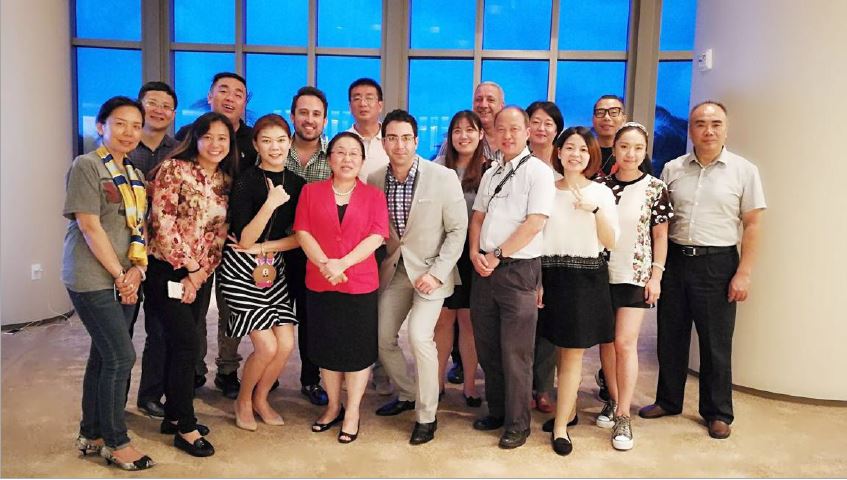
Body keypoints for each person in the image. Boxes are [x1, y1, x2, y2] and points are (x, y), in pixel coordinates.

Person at [638, 101, 766, 440]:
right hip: (676, 260)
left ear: (725, 129)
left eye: (715, 124)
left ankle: (718, 412)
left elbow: (753, 225)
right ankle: (668, 400)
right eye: (700, 123)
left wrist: (744, 273)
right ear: (691, 129)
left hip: (718, 264)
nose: (708, 130)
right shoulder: (673, 169)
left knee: (715, 343)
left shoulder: (744, 171)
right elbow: (660, 223)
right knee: (670, 336)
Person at [63, 96, 155, 470]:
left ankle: (92, 433)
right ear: (101, 126)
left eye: (136, 125)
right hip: (92, 278)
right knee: (121, 355)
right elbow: (89, 226)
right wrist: (120, 275)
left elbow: (139, 227)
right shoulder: (87, 166)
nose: (128, 132)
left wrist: (137, 271)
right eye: (120, 123)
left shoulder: (134, 174)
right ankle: (116, 442)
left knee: (103, 355)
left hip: (127, 276)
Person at [369, 110, 467, 445]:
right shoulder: (375, 179)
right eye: (392, 138)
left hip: (431, 273)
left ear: (416, 140)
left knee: (419, 337)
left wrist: (437, 274)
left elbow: (457, 231)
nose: (399, 145)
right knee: (382, 337)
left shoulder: (443, 177)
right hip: (395, 271)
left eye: (406, 138)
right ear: (384, 142)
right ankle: (408, 393)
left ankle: (427, 416)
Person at [145, 112, 238, 457]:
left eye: (222, 138)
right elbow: (162, 223)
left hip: (199, 276)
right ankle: (185, 426)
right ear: (195, 138)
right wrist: (190, 267)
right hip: (166, 269)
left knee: (182, 343)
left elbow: (219, 234)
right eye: (208, 136)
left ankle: (173, 414)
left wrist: (199, 274)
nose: (215, 144)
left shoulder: (225, 180)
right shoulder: (174, 169)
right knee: (186, 344)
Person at [294, 131, 389, 444]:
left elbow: (377, 236)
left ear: (362, 160)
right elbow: (302, 231)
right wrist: (326, 264)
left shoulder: (374, 195)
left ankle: (353, 411)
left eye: (354, 154)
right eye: (340, 152)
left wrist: (342, 264)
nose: (347, 159)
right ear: (329, 158)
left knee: (358, 351)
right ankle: (334, 406)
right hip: (320, 281)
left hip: (359, 283)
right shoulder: (310, 192)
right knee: (327, 348)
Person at [469, 106, 555, 449]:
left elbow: (535, 223)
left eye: (514, 129)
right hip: (484, 270)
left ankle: (518, 423)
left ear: (527, 132)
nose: (507, 135)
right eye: (501, 129)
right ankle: (498, 410)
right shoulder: (491, 172)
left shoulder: (539, 172)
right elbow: (478, 216)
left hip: (518, 270)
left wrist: (496, 255)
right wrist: (474, 252)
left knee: (516, 352)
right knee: (488, 347)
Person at [219, 114, 306, 431]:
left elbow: (300, 237)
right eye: (267, 141)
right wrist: (270, 203)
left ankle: (261, 398)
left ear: (290, 143)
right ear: (256, 144)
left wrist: (265, 248)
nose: (275, 147)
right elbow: (244, 240)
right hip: (240, 270)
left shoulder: (298, 183)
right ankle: (243, 401)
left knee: (285, 344)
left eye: (281, 140)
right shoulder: (246, 180)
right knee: (266, 346)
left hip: (273, 267)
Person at [537, 126, 619, 456]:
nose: (576, 154)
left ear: (591, 156)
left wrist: (594, 210)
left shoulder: (601, 193)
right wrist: (538, 282)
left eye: (583, 149)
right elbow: (536, 237)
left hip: (585, 278)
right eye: (569, 147)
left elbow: (611, 241)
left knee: (572, 353)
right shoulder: (545, 190)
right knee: (559, 349)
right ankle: (568, 410)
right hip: (550, 275)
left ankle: (561, 428)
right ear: (558, 152)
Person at [175, 72, 256, 399]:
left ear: (245, 101)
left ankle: (227, 369)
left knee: (231, 308)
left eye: (238, 93)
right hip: (195, 244)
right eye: (223, 90)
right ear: (210, 96)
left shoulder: (253, 138)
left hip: (238, 240)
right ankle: (194, 368)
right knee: (195, 308)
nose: (230, 98)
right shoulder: (189, 134)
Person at [593, 122, 672, 451]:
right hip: (600, 274)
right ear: (615, 149)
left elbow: (660, 236)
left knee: (625, 343)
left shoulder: (655, 188)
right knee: (606, 343)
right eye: (624, 146)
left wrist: (656, 276)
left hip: (635, 274)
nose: (630, 153)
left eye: (638, 148)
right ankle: (612, 401)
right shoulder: (600, 186)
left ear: (645, 150)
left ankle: (624, 414)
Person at [130, 81, 179, 420]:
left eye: (166, 106)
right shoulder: (122, 148)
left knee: (160, 329)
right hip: (125, 253)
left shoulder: (178, 151)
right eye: (152, 103)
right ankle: (113, 400)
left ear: (173, 114)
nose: (159, 110)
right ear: (140, 104)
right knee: (121, 330)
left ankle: (149, 395)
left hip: (163, 255)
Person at [283, 86, 332, 406]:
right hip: (275, 249)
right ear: (293, 116)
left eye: (316, 114)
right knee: (273, 315)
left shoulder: (334, 156)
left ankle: (310, 379)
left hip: (315, 252)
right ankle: (267, 373)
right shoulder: (275, 148)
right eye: (303, 112)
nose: (309, 119)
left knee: (311, 318)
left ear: (325, 120)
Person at [433, 110, 485, 407]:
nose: (463, 136)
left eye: (470, 130)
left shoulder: (491, 170)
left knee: (469, 322)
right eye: (457, 130)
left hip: (473, 253)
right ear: (450, 136)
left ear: (481, 135)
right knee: (443, 320)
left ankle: (469, 385)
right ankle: (437, 382)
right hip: (443, 253)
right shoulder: (437, 168)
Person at [525, 100, 565, 414]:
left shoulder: (565, 165)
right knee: (523, 324)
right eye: (535, 121)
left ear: (557, 130)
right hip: (523, 250)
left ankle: (544, 387)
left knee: (550, 324)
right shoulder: (516, 161)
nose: (541, 128)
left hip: (555, 251)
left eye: (547, 123)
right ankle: (523, 385)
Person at [592, 95, 652, 177]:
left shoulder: (635, 155)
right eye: (600, 113)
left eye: (613, 113)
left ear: (624, 119)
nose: (606, 117)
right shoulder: (585, 151)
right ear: (593, 119)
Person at [347, 77, 390, 181]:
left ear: (380, 105)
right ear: (350, 106)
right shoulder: (342, 142)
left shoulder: (392, 139)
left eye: (369, 98)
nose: (363, 104)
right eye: (357, 99)